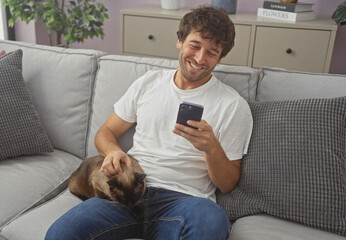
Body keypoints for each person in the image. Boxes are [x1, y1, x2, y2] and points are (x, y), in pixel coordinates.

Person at [45, 5, 253, 240]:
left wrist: (211, 147)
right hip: (130, 189)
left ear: (221, 57)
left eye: (211, 53)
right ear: (180, 41)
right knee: (60, 233)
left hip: (187, 202)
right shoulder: (148, 83)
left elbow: (227, 184)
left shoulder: (233, 106)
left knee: (213, 220)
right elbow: (106, 131)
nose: (199, 58)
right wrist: (113, 152)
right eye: (194, 46)